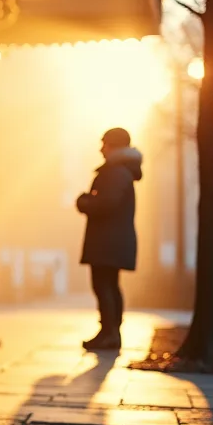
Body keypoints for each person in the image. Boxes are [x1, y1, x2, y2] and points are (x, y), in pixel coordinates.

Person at [76, 127, 142, 351]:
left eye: (105, 144)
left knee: (104, 285)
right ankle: (109, 332)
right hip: (113, 240)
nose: (101, 149)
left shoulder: (115, 172)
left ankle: (110, 333)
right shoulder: (122, 171)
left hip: (108, 241)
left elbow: (107, 203)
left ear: (114, 146)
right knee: (109, 285)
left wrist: (84, 201)